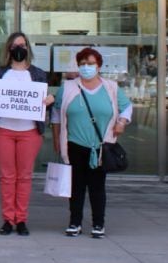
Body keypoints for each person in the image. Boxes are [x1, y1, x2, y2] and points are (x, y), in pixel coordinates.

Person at [51, 47, 132, 239]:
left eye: (91, 64)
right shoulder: (68, 87)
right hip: (74, 144)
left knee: (97, 186)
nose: (87, 67)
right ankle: (75, 222)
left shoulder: (110, 87)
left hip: (101, 146)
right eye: (83, 64)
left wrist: (122, 122)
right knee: (76, 186)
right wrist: (56, 138)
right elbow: (56, 112)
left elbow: (127, 107)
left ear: (99, 66)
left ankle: (98, 223)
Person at [0, 32, 53, 236]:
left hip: (29, 132)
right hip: (3, 131)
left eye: (22, 45)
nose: (19, 49)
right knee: (7, 176)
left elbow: (43, 104)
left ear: (28, 48)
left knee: (24, 177)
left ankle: (21, 219)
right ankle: (8, 219)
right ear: (9, 49)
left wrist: (49, 101)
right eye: (15, 46)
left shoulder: (38, 74)